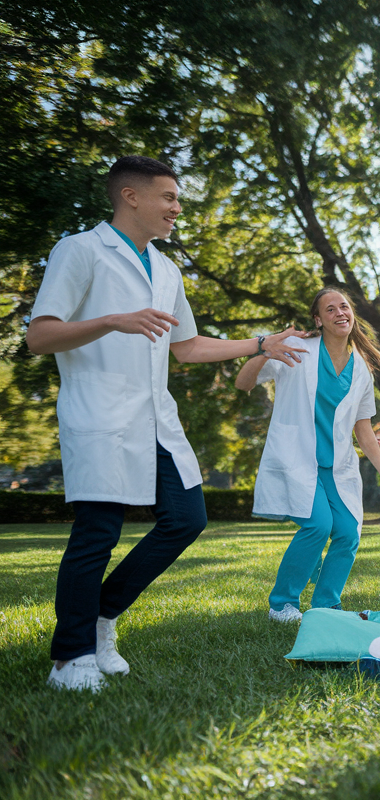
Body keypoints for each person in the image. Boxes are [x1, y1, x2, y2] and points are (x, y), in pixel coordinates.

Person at [27, 155, 306, 691]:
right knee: (98, 534)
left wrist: (260, 343)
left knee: (186, 518)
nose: (178, 208)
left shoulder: (166, 268)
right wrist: (112, 321)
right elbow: (39, 335)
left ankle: (101, 616)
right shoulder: (82, 250)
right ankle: (70, 658)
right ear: (131, 196)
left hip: (156, 419)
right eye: (170, 197)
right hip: (100, 414)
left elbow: (186, 347)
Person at [236, 287, 380, 621]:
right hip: (297, 459)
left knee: (347, 532)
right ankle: (282, 603)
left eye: (344, 306)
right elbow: (243, 383)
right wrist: (265, 348)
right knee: (318, 525)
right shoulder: (298, 349)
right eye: (330, 309)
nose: (340, 312)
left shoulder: (361, 370)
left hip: (335, 467)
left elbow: (363, 427)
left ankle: (326, 606)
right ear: (318, 320)